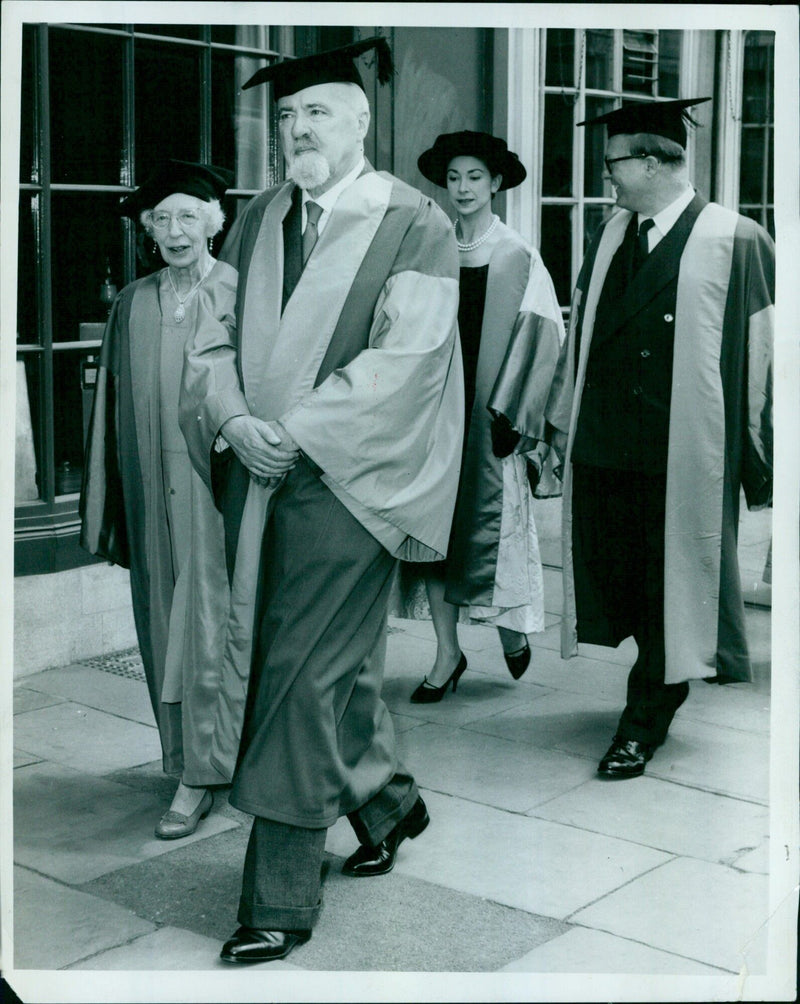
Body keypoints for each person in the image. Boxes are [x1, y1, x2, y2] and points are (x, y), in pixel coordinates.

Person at [179, 37, 464, 963]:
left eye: (319, 113)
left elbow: (408, 362)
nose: (298, 129)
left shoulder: (414, 223)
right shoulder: (260, 214)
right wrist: (231, 421)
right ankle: (390, 807)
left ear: (361, 121)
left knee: (296, 676)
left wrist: (289, 433)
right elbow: (211, 338)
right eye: (288, 116)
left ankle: (278, 895)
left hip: (354, 485)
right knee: (300, 658)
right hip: (258, 475)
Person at [558, 97, 774, 779]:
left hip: (679, 456)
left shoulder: (735, 238)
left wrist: (760, 461)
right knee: (622, 580)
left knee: (667, 593)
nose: (607, 179)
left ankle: (643, 718)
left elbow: (763, 355)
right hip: (607, 452)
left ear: (653, 161)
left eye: (614, 164)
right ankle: (656, 678)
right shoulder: (612, 233)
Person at [80, 160, 236, 835]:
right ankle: (183, 759)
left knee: (211, 626)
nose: (175, 230)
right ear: (148, 230)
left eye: (189, 216)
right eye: (162, 219)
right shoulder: (133, 302)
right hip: (150, 489)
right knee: (162, 624)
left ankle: (209, 770)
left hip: (215, 489)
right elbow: (110, 413)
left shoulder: (239, 291)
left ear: (214, 223)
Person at [410, 130, 568, 702]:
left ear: (496, 183)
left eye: (475, 177)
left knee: (494, 532)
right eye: (453, 178)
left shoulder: (517, 255)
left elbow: (544, 338)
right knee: (430, 533)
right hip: (433, 412)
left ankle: (509, 627)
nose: (463, 188)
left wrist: (517, 417)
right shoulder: (431, 247)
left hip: (491, 416)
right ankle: (446, 653)